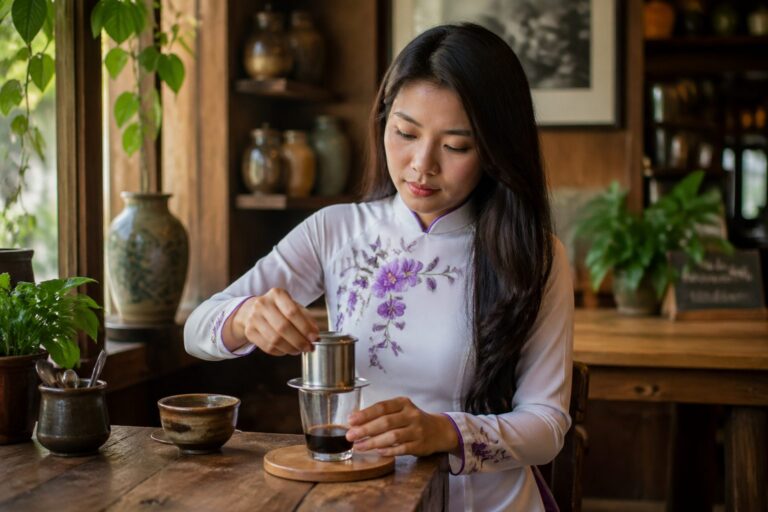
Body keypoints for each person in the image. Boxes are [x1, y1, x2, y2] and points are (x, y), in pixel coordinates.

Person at [184, 22, 573, 512]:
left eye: (456, 146)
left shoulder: (534, 256)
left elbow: (547, 426)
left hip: (487, 502)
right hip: (364, 496)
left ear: (495, 150)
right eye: (406, 133)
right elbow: (196, 330)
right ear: (383, 120)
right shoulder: (336, 231)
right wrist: (244, 317)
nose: (421, 165)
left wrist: (443, 431)